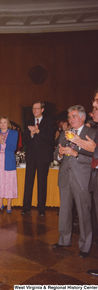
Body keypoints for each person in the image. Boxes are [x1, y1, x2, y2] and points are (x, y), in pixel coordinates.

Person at [53, 105, 96, 258]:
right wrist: (59, 154)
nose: (71, 120)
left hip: (82, 179)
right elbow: (55, 155)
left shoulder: (92, 133)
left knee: (84, 213)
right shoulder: (65, 134)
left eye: (74, 116)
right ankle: (64, 239)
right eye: (69, 117)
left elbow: (94, 158)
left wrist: (76, 154)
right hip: (65, 176)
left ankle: (85, 246)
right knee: (64, 211)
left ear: (83, 117)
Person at [21, 101, 54, 216]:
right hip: (31, 156)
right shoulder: (29, 122)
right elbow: (25, 139)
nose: (34, 110)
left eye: (37, 108)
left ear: (42, 110)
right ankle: (26, 207)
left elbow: (50, 139)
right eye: (33, 108)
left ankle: (41, 209)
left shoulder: (49, 122)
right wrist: (31, 134)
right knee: (28, 182)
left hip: (43, 157)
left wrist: (38, 131)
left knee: (42, 183)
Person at [0, 117, 18, 213]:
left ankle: (9, 205)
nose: (2, 124)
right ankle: (0, 204)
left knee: (9, 183)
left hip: (9, 161)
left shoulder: (14, 133)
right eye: (1, 122)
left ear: (8, 124)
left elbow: (13, 147)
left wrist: (4, 143)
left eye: (4, 122)